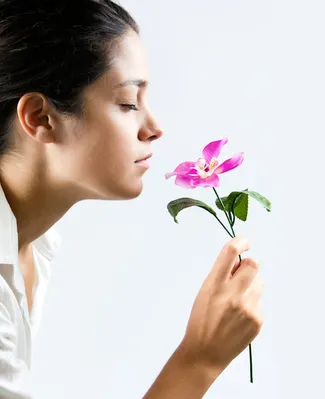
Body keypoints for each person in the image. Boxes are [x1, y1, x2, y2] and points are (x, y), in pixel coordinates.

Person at [0, 0, 265, 397]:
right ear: (40, 118)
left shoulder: (33, 245)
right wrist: (199, 359)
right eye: (127, 103)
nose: (155, 128)